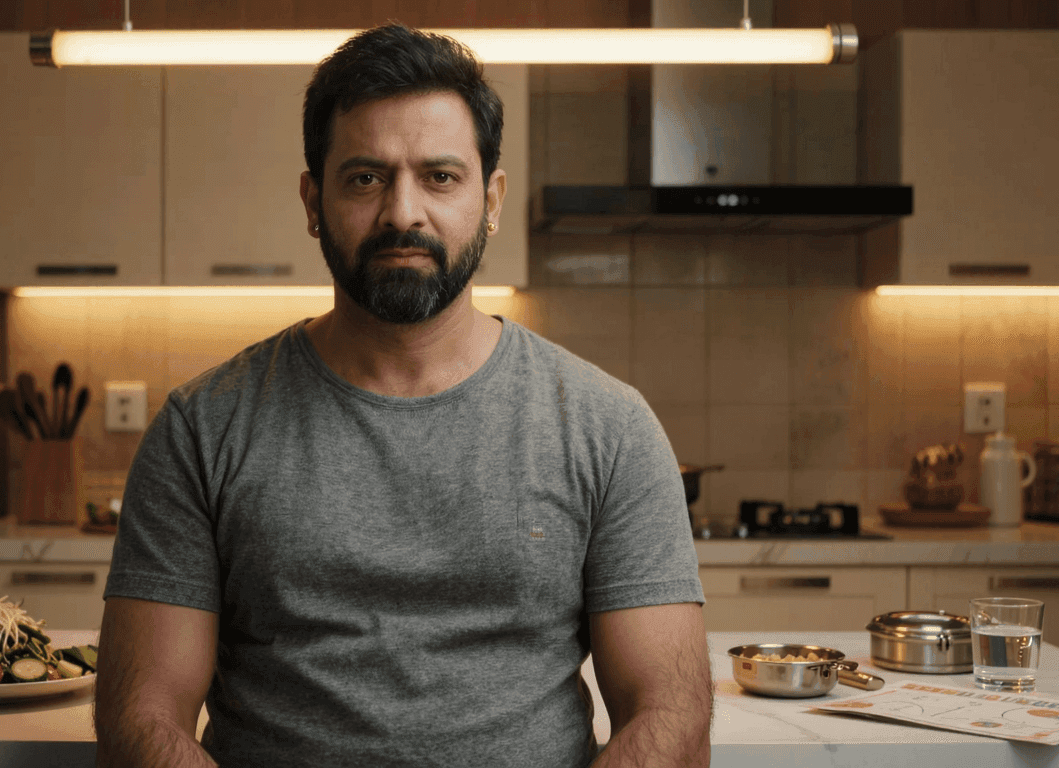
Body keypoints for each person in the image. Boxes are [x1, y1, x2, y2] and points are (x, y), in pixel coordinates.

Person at [93, 22, 711, 768]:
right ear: (312, 199)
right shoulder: (203, 426)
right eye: (365, 177)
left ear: (491, 198)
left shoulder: (607, 427)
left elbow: (670, 717)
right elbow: (141, 718)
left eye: (440, 177)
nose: (402, 212)